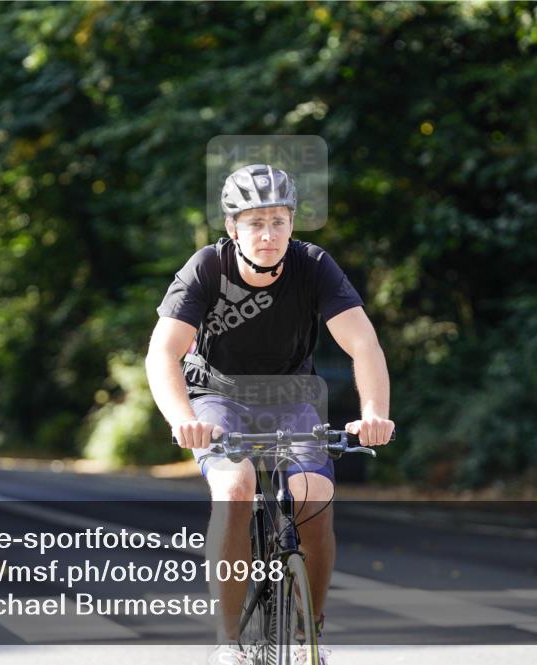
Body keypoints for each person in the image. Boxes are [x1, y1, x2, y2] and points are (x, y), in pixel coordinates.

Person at [146, 164, 393, 665]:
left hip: (291, 400)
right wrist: (181, 419)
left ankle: (310, 632)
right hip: (218, 400)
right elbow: (161, 353)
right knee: (235, 488)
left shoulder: (314, 265)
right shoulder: (206, 269)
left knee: (314, 496)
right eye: (254, 222)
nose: (267, 234)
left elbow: (363, 343)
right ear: (233, 228)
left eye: (277, 221)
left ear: (291, 225)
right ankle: (228, 643)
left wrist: (374, 413)